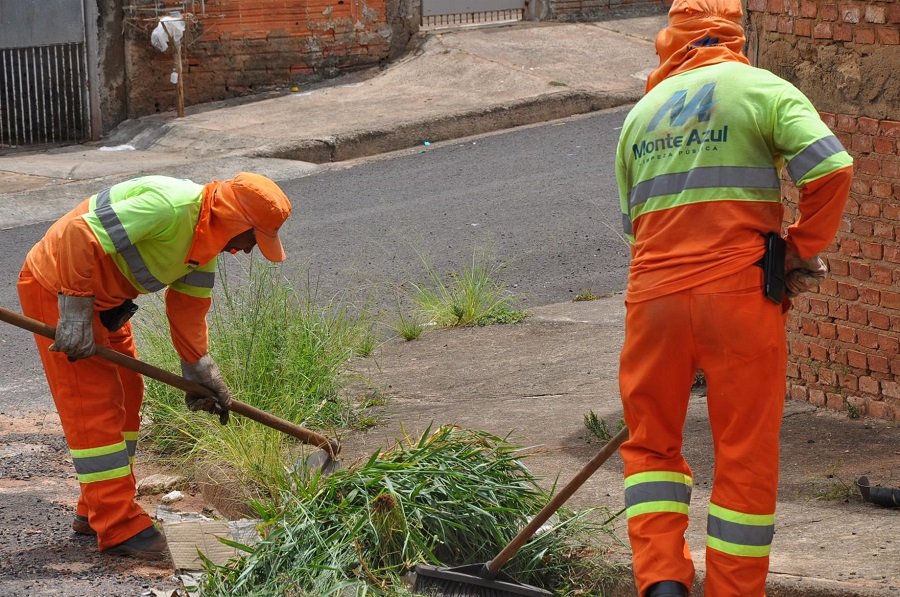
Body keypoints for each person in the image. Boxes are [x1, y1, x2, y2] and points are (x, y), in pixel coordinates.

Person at [613, 1, 853, 596]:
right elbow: (833, 167)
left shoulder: (638, 117)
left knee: (650, 449)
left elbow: (636, 228)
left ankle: (663, 584)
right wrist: (799, 248)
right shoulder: (761, 89)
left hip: (654, 305)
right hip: (740, 302)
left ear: (671, 40)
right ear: (734, 34)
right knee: (743, 456)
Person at [16, 172, 293, 559]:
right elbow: (80, 233)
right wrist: (76, 309)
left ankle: (96, 507)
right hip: (60, 289)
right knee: (94, 401)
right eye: (252, 238)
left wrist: (199, 371)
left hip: (105, 302)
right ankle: (118, 526)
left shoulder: (205, 243)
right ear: (236, 221)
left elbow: (188, 311)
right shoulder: (170, 206)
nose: (248, 250)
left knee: (128, 391)